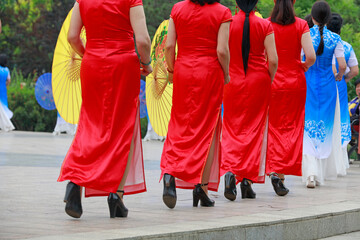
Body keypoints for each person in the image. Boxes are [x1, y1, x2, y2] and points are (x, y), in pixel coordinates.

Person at [57, 0, 152, 218]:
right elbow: (143, 40)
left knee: (89, 124)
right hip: (122, 65)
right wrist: (146, 64)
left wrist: (87, 53)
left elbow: (73, 36)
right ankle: (116, 196)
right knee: (122, 128)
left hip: (92, 63)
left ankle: (74, 181)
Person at [161, 0, 231, 208]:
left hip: (183, 70)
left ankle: (169, 174)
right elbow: (222, 51)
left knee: (179, 124)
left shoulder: (178, 9)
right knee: (207, 129)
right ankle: (201, 187)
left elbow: (168, 46)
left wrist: (172, 70)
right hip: (209, 72)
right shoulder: (222, 12)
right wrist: (226, 73)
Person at [221, 0, 278, 201]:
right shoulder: (265, 25)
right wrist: (267, 78)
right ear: (255, 4)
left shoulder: (227, 21)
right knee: (254, 132)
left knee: (231, 128)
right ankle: (246, 181)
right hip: (258, 82)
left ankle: (230, 171)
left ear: (237, 3)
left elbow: (221, 52)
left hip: (231, 81)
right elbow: (273, 60)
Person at [266, 0, 316, 196]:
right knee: (291, 128)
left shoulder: (267, 24)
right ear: (293, 2)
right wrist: (302, 65)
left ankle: (272, 169)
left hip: (272, 80)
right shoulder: (301, 24)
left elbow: (265, 55)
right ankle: (280, 174)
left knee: (273, 127)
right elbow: (310, 56)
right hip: (295, 82)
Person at [302, 1, 347, 188]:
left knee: (308, 128)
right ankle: (319, 172)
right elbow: (343, 65)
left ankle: (310, 173)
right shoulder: (335, 39)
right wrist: (338, 76)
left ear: (312, 17)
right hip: (329, 87)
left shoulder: (304, 35)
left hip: (308, 85)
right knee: (325, 128)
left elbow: (300, 59)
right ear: (328, 18)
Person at [328, 13, 359, 169]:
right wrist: (344, 79)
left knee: (326, 119)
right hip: (340, 85)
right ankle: (340, 162)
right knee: (340, 118)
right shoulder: (346, 46)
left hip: (323, 85)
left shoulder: (323, 43)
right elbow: (354, 70)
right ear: (340, 28)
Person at [0, 54, 13, 120]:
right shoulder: (6, 70)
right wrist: (5, 84)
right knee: (4, 104)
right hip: (3, 89)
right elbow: (9, 80)